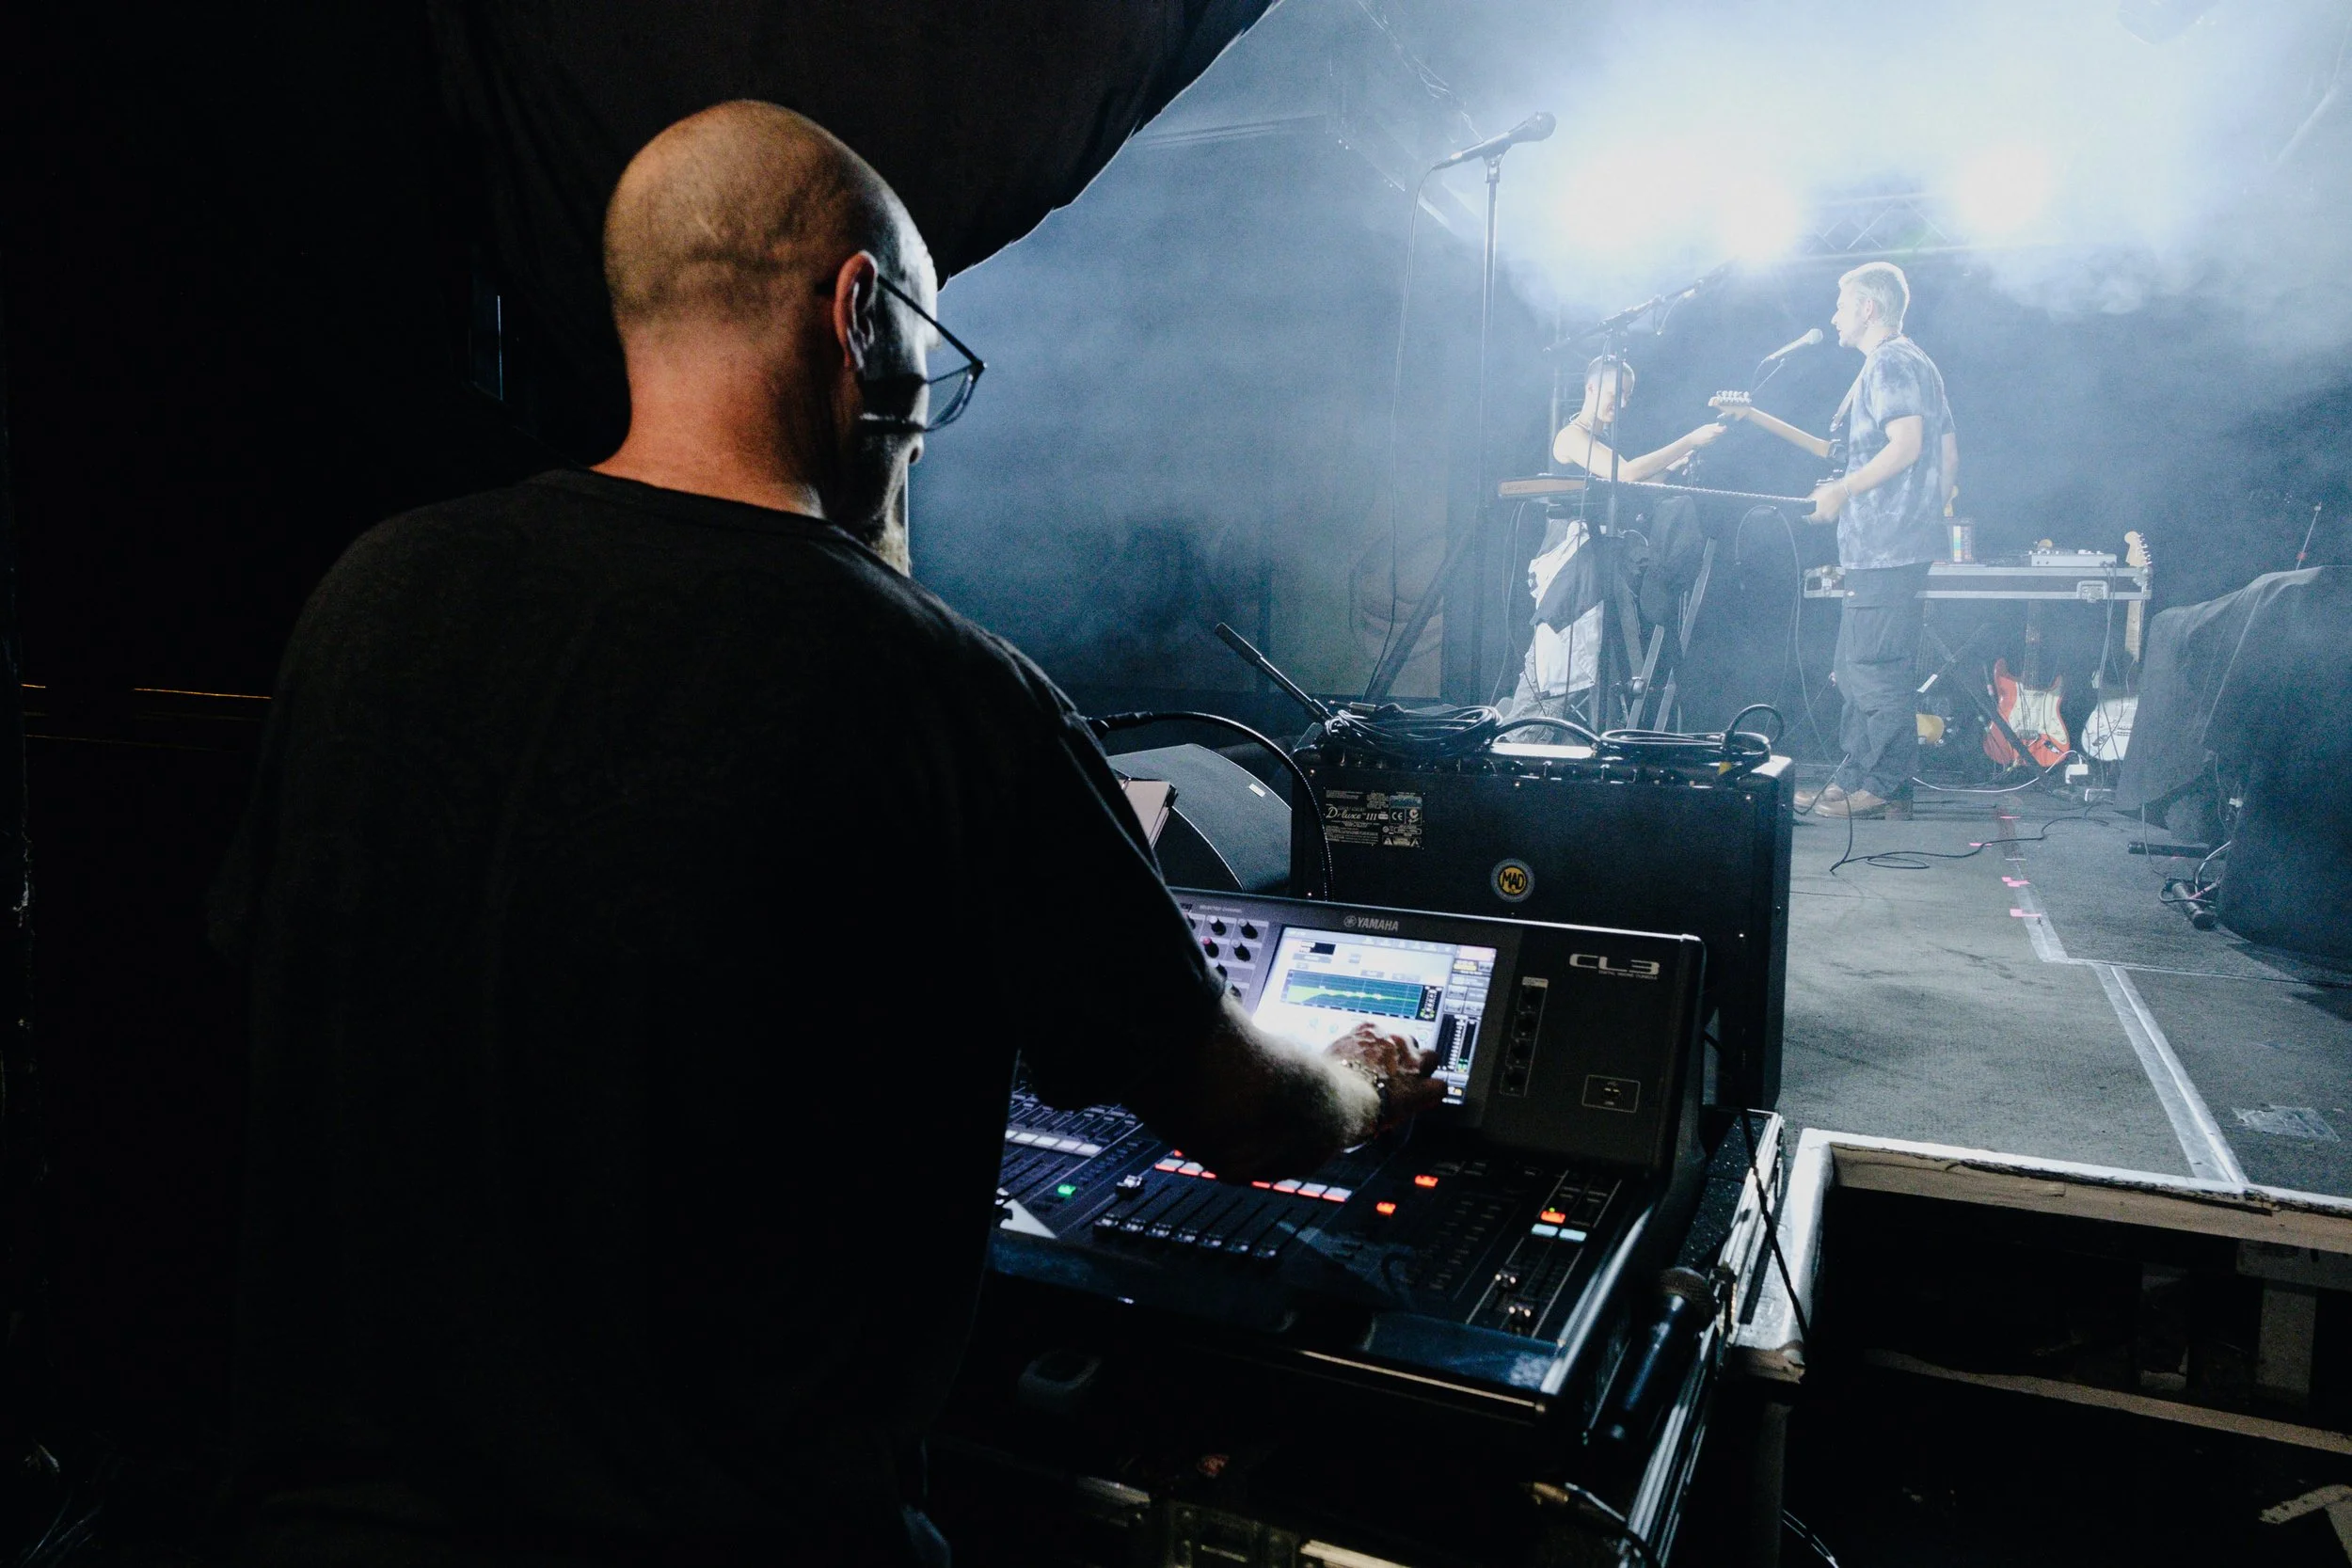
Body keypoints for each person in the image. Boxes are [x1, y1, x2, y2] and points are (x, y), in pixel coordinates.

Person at [211, 101, 1442, 1568]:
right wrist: (1367, 1078)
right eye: (928, 349)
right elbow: (1238, 1111)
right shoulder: (943, 690)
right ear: (861, 313)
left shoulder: (373, 593)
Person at [1712, 262, 1958, 818]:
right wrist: (1754, 416)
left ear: (1868, 308)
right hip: (1887, 544)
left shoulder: (1891, 361)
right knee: (1853, 669)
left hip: (1887, 545)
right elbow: (1933, 452)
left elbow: (1907, 445)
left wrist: (1847, 493)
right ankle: (1857, 779)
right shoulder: (1910, 363)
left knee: (1874, 669)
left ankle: (1884, 785)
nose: (1834, 316)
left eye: (1842, 305)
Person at [1502, 356, 1727, 722]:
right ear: (1591, 388)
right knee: (1555, 671)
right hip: (1570, 566)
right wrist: (1688, 439)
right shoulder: (1571, 437)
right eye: (1615, 394)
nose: (1621, 404)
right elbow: (1626, 473)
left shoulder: (1602, 441)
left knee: (1593, 671)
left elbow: (1631, 486)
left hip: (1599, 563)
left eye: (1627, 397)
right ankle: (1517, 732)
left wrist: (1669, 467)